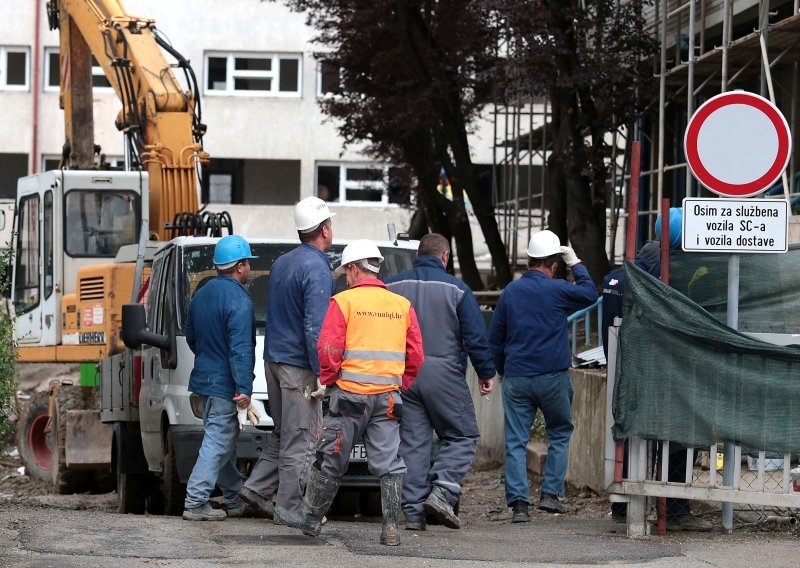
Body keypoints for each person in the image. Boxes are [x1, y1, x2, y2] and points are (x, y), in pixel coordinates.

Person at [276, 239, 424, 546]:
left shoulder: (343, 303)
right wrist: (400, 383)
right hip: (389, 399)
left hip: (350, 398)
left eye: (346, 271)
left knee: (331, 457)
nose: (345, 277)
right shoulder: (402, 306)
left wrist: (329, 381)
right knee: (390, 462)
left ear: (356, 269)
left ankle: (312, 520)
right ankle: (391, 529)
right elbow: (416, 355)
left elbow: (328, 348)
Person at [602, 212, 712, 532]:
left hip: (625, 370)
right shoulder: (668, 277)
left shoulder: (622, 275)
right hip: (664, 370)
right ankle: (675, 509)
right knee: (675, 438)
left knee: (629, 435)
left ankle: (624, 505)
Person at [384, 233, 495, 531]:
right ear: (445, 256)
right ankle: (443, 490)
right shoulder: (456, 288)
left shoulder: (392, 286)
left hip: (404, 374)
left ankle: (414, 513)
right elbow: (475, 336)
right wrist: (486, 373)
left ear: (418, 255)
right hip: (443, 372)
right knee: (463, 435)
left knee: (414, 444)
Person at [489, 230, 597, 523]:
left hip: (517, 377)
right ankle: (550, 495)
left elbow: (496, 338)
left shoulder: (511, 292)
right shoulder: (558, 289)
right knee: (559, 434)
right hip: (553, 378)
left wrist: (500, 371)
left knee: (515, 441)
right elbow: (590, 292)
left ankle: (520, 506)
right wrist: (575, 262)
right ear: (552, 263)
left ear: (529, 261)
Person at [239, 196, 336, 521]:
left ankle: (256, 487)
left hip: (274, 360)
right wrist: (323, 370)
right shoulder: (317, 267)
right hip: (299, 367)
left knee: (283, 432)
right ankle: (291, 507)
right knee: (303, 437)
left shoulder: (283, 262)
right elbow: (315, 325)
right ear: (324, 229)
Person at [182, 235, 258, 521]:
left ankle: (234, 500)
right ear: (239, 266)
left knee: (223, 443)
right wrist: (243, 387)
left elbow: (192, 338)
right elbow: (241, 348)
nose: (249, 267)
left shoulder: (201, 293)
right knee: (217, 443)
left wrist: (209, 360)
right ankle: (195, 501)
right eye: (248, 262)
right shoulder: (238, 298)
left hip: (204, 381)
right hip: (225, 385)